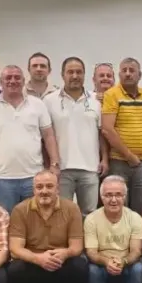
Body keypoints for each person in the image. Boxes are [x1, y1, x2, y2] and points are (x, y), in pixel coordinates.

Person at [7, 170, 87, 283]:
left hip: (60, 258)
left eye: (49, 186)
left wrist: (64, 253)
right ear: (33, 190)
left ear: (57, 189)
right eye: (39, 187)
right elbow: (15, 248)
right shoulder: (20, 210)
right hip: (32, 259)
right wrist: (38, 258)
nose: (44, 191)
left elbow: (76, 247)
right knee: (15, 269)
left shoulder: (71, 208)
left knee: (79, 266)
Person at [0, 65, 61, 213]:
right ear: (1, 82)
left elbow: (48, 136)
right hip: (1, 179)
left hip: (34, 177)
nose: (13, 81)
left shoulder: (37, 104)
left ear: (23, 81)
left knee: (35, 222)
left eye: (17, 78)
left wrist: (55, 164)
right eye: (8, 78)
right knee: (4, 221)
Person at [44, 57, 107, 215]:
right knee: (62, 214)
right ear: (62, 75)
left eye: (79, 72)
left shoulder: (96, 100)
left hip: (90, 168)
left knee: (90, 214)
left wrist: (105, 159)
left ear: (84, 75)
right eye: (70, 72)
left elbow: (102, 133)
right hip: (61, 169)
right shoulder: (49, 101)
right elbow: (45, 135)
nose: (75, 76)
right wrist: (50, 164)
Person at [85, 175, 142, 283]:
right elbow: (91, 252)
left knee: (138, 269)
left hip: (126, 262)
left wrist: (123, 261)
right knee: (92, 271)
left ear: (125, 197)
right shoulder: (91, 219)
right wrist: (106, 261)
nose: (113, 200)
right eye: (108, 195)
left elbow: (136, 251)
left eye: (118, 195)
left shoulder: (134, 218)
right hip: (101, 263)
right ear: (101, 197)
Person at [102, 57, 142, 213]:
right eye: (124, 70)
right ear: (119, 75)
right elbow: (107, 129)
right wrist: (129, 156)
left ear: (140, 75)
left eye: (132, 70)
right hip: (119, 161)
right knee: (118, 208)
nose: (128, 74)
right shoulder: (112, 95)